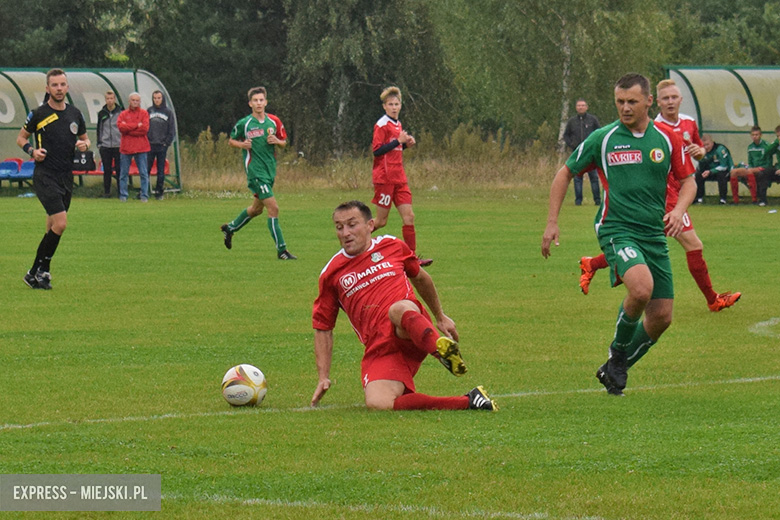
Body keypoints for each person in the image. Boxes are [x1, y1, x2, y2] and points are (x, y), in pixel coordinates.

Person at [542, 73, 696, 396]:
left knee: (661, 317)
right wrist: (552, 221)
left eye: (632, 102)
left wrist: (679, 210)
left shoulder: (667, 139)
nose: (625, 108)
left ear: (648, 102)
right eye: (620, 102)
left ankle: (615, 369)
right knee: (641, 289)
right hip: (617, 229)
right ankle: (617, 352)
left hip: (654, 233)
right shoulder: (604, 137)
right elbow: (565, 173)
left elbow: (688, 182)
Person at [311, 200, 497, 411]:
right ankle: (470, 401)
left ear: (370, 225)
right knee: (379, 402)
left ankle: (441, 352)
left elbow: (420, 278)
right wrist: (323, 377)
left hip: (411, 325)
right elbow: (323, 326)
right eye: (339, 227)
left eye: (352, 225)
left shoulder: (392, 245)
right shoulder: (331, 274)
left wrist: (440, 316)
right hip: (380, 345)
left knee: (397, 309)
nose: (345, 233)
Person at [578, 79, 741, 313]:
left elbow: (699, 149)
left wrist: (701, 151)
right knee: (692, 244)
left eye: (674, 97)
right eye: (666, 98)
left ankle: (592, 263)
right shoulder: (653, 127)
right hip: (661, 197)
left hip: (680, 193)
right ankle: (712, 300)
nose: (670, 102)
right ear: (656, 102)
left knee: (647, 245)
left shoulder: (689, 123)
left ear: (680, 99)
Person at [16, 69, 89, 290]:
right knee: (61, 223)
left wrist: (84, 145)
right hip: (45, 175)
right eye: (54, 85)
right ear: (47, 89)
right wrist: (32, 151)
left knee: (51, 226)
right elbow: (21, 138)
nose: (59, 89)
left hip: (66, 176)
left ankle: (36, 273)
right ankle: (40, 271)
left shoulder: (75, 114)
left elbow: (85, 140)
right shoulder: (38, 113)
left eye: (62, 84)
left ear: (67, 87)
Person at [220, 86, 296, 260]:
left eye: (261, 100)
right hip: (255, 172)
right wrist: (242, 145)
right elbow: (231, 141)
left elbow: (284, 142)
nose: (259, 103)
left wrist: (277, 141)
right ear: (250, 103)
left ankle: (230, 228)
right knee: (273, 208)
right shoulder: (244, 123)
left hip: (269, 171)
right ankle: (282, 251)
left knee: (256, 209)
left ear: (266, 102)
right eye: (255, 100)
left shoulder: (274, 121)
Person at [371, 86, 432, 266]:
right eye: (390, 104)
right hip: (385, 178)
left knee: (409, 217)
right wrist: (398, 141)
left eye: (397, 104)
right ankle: (355, 237)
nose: (394, 107)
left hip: (399, 178)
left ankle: (411, 258)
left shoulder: (398, 124)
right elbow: (377, 151)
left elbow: (394, 149)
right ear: (384, 106)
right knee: (381, 221)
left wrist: (405, 145)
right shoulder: (381, 125)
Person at [563, 98, 601, 205]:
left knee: (593, 177)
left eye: (583, 105)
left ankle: (597, 200)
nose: (581, 107)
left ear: (586, 107)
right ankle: (578, 201)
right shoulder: (572, 121)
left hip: (591, 153)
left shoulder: (592, 120)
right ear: (576, 107)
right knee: (577, 178)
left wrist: (595, 146)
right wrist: (571, 145)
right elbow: (566, 135)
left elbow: (599, 133)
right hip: (577, 153)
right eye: (579, 105)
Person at [117, 92, 151, 202]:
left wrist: (129, 129)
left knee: (143, 173)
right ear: (129, 101)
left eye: (137, 100)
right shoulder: (123, 114)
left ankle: (144, 195)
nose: (135, 102)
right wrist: (136, 125)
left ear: (140, 102)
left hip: (141, 147)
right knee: (123, 173)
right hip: (126, 148)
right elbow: (121, 128)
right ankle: (123, 196)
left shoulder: (144, 113)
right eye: (133, 100)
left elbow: (144, 130)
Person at [147, 90, 176, 200]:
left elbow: (171, 129)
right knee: (147, 169)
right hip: (150, 145)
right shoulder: (149, 111)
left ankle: (159, 191)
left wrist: (166, 143)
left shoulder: (168, 112)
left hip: (162, 145)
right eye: (155, 98)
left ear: (162, 98)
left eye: (159, 98)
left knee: (160, 170)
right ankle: (144, 191)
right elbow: (145, 127)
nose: (157, 100)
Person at [729, 126, 769, 205]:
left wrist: (761, 167)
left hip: (763, 168)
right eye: (753, 135)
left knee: (749, 171)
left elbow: (768, 160)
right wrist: (748, 166)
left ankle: (754, 199)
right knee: (734, 172)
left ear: (761, 135)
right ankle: (735, 200)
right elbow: (750, 161)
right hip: (752, 168)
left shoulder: (766, 145)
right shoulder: (750, 147)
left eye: (756, 135)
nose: (755, 136)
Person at [96, 91, 122, 198]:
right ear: (105, 100)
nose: (110, 101)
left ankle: (121, 191)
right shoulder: (102, 113)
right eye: (107, 98)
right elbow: (99, 129)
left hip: (118, 145)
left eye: (111, 98)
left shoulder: (121, 112)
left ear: (114, 99)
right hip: (105, 145)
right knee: (107, 170)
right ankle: (107, 192)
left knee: (119, 169)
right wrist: (99, 143)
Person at [695, 134, 732, 204]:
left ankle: (723, 199)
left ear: (712, 142)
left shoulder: (720, 149)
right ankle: (699, 198)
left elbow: (724, 166)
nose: (706, 147)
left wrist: (711, 171)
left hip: (724, 171)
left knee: (721, 175)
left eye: (707, 144)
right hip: (709, 172)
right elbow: (700, 166)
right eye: (704, 145)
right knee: (698, 174)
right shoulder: (702, 151)